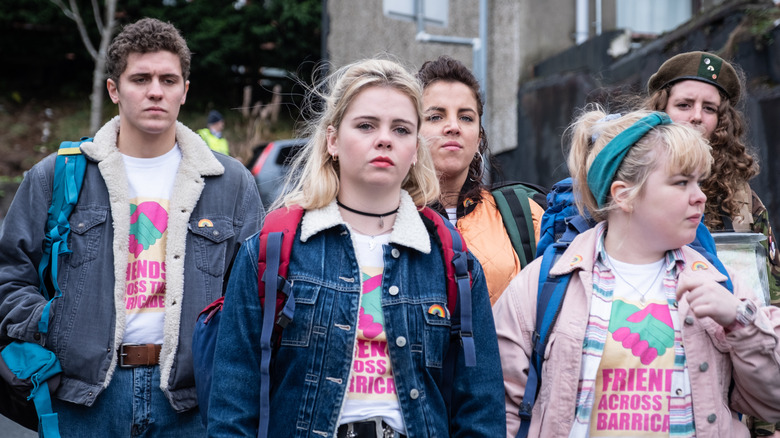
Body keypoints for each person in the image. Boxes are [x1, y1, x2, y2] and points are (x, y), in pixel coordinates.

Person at [207, 58, 505, 437]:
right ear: (332, 139)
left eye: (401, 129)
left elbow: (480, 412)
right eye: (366, 125)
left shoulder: (453, 262)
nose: (384, 139)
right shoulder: (270, 252)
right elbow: (232, 410)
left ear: (415, 149)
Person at [0, 18, 263, 437]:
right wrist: (53, 321)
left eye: (168, 79)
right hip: (85, 398)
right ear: (114, 90)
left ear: (185, 90)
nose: (155, 90)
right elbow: (9, 274)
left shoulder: (230, 183)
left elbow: (254, 294)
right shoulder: (57, 175)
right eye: (140, 78)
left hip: (192, 401)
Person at [493, 107, 780, 437]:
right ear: (623, 195)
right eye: (681, 182)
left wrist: (740, 320)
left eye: (698, 182)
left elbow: (772, 400)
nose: (700, 196)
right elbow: (501, 408)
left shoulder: (719, 282)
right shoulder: (545, 283)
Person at [644, 51, 780, 306]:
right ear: (661, 110)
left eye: (709, 108)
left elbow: (773, 296)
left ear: (721, 121)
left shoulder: (742, 200)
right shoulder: (630, 186)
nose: (696, 116)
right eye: (684, 105)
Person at [417, 55, 545, 305]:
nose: (453, 127)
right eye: (435, 116)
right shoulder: (386, 216)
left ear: (478, 139)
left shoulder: (526, 213)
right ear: (410, 131)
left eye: (466, 117)